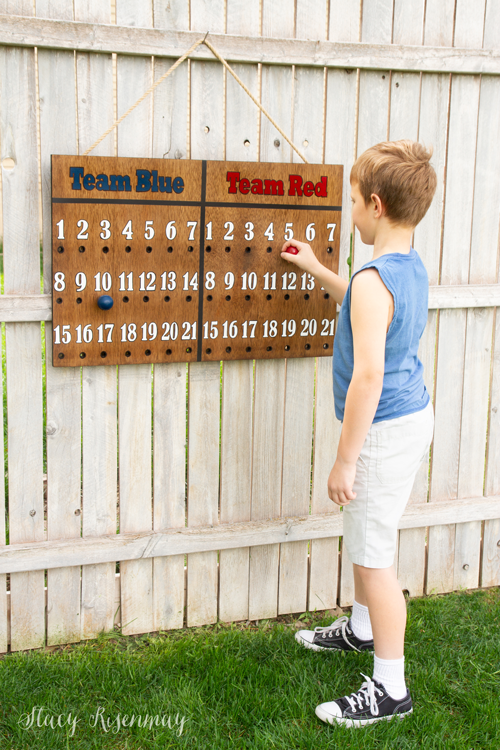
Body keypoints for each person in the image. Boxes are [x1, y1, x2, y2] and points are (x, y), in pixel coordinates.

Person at [281, 140, 437, 728]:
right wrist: (321, 272)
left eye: (352, 202)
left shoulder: (376, 280)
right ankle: (362, 630)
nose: (351, 212)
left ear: (375, 204)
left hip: (382, 427)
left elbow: (367, 378)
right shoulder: (405, 267)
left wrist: (346, 461)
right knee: (368, 536)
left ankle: (390, 689)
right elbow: (367, 310)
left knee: (375, 560)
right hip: (408, 415)